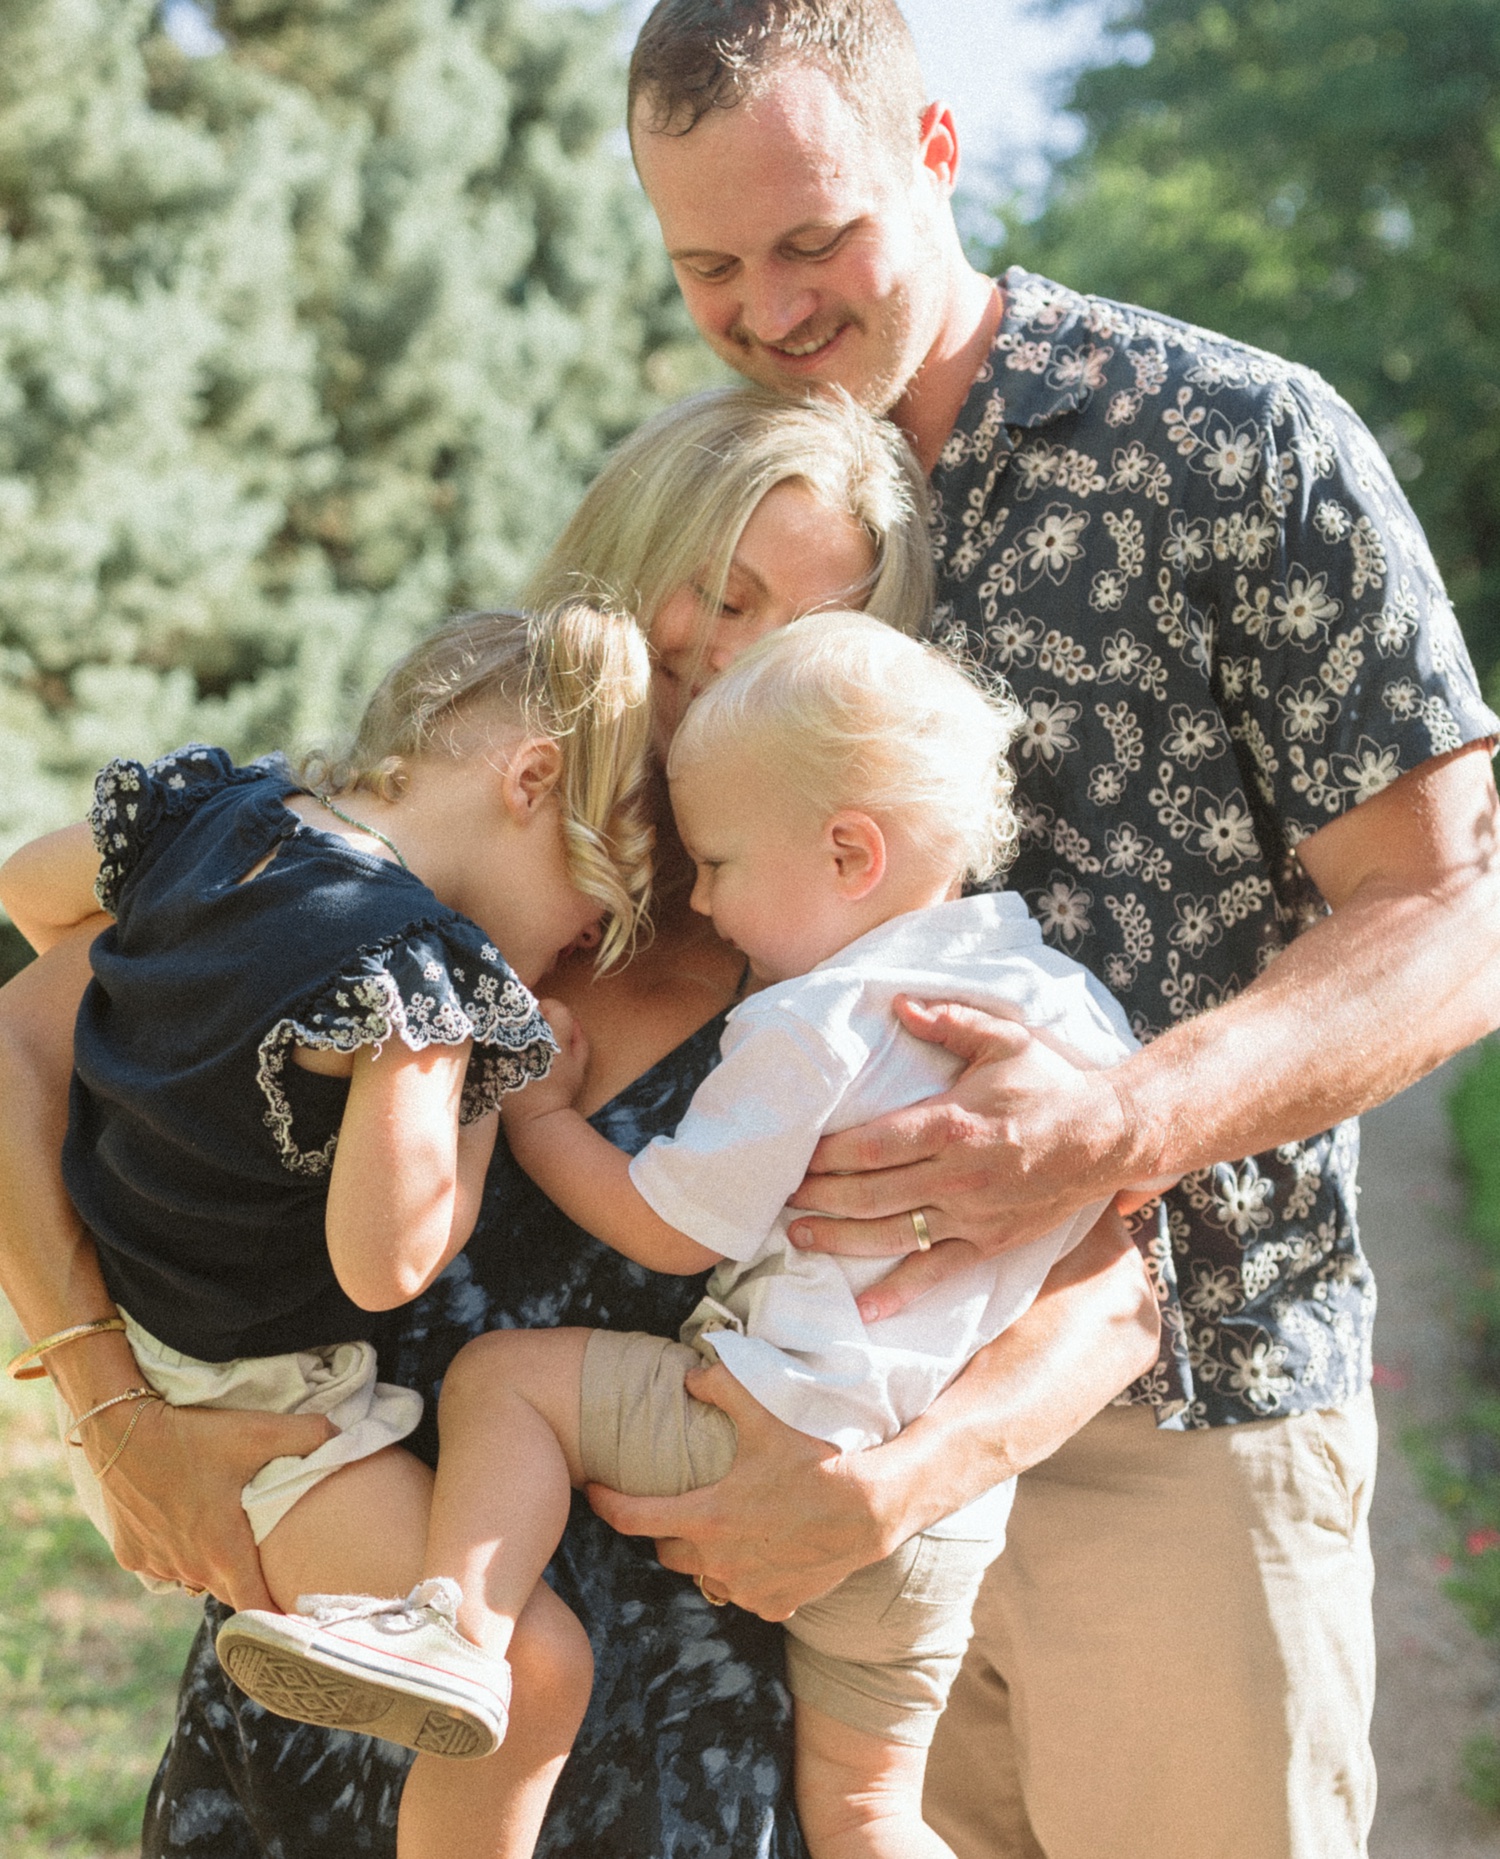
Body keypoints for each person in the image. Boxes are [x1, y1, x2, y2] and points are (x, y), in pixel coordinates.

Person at [0, 385, 1160, 1854]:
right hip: (331, 1687)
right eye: (718, 594)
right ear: (623, 568)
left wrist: (896, 1487)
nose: (733, 656)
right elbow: (25, 1050)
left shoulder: (862, 985)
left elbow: (1115, 1289)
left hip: (679, 1740)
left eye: (790, 635)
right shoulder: (388, 877)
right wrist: (112, 1408)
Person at [595, 5, 1500, 1856]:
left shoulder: (1238, 440)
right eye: (707, 264)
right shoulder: (727, 507)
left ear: (937, 149)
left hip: (1179, 1422)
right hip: (794, 1420)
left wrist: (1119, 1126)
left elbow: (1453, 908)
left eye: (811, 240)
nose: (766, 309)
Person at [220, 610, 1146, 1859]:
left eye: (717, 860)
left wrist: (543, 1111)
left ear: (847, 851)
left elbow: (665, 1227)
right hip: (940, 1519)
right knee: (873, 1813)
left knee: (510, 1383)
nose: (704, 897)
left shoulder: (810, 1021)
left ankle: (454, 1627)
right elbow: (1122, 1191)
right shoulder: (1056, 1003)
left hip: (761, 1419)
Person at [0, 601, 662, 1855]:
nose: (586, 946)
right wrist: (490, 1079)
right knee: (533, 1675)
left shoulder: (215, 818)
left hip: (126, 1335)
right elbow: (391, 1256)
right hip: (254, 1416)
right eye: (599, 899)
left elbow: (32, 897)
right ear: (530, 781)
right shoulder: (425, 977)